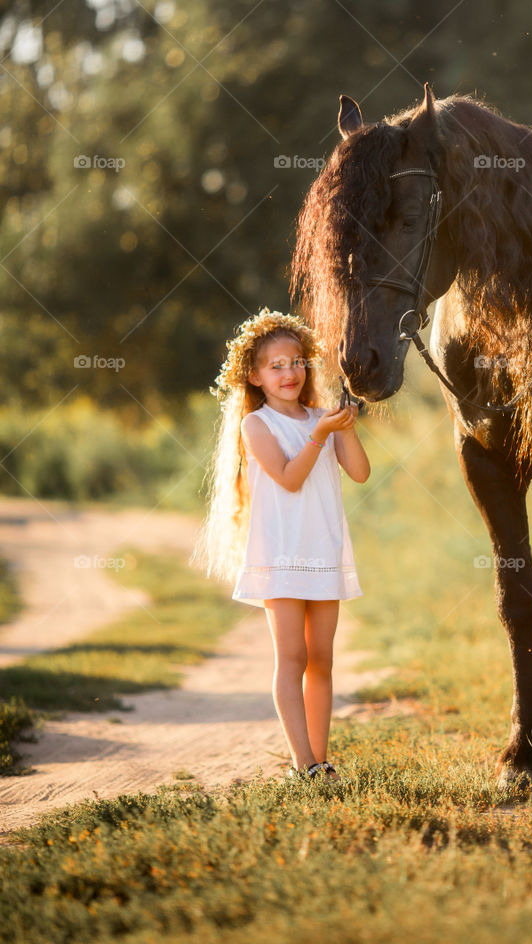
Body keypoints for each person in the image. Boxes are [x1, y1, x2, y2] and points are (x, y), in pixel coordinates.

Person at [192, 307, 370, 782]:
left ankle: (322, 757)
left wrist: (343, 427)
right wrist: (320, 434)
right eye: (276, 366)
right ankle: (303, 762)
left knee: (322, 659)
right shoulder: (258, 425)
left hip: (323, 552)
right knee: (291, 657)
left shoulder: (322, 419)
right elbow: (290, 479)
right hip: (281, 555)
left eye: (297, 362)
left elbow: (360, 472)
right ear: (254, 375)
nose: (289, 372)